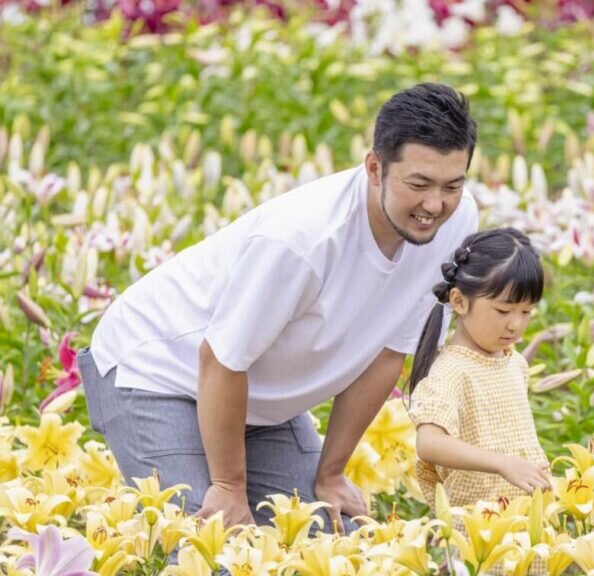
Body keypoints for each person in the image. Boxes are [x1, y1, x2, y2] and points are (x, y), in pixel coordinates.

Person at [78, 83, 480, 531]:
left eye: (452, 185)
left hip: (251, 398)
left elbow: (390, 352)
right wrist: (229, 487)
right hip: (156, 372)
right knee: (210, 548)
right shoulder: (302, 239)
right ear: (374, 167)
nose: (434, 205)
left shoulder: (457, 223)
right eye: (418, 184)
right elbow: (220, 358)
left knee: (330, 538)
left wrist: (330, 473)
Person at [407, 228, 551, 511]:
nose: (516, 325)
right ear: (460, 301)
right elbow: (430, 443)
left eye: (526, 312)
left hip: (527, 517)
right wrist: (502, 464)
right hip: (479, 524)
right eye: (503, 311)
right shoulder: (451, 371)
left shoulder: (514, 362)